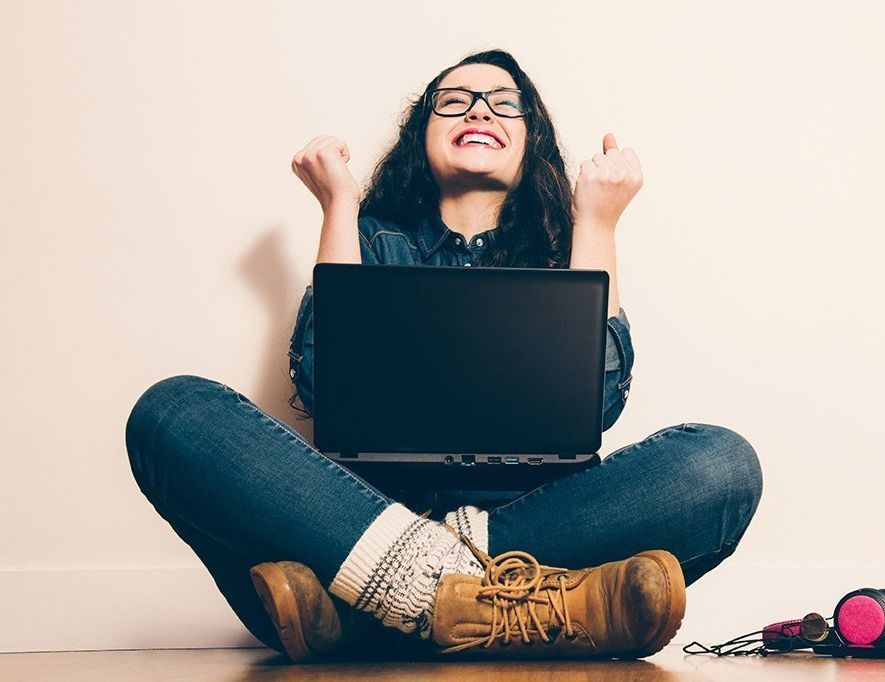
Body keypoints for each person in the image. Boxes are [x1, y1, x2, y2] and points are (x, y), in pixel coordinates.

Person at [125, 49, 763, 664]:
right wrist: (339, 206)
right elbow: (326, 382)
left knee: (723, 467)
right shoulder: (371, 241)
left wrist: (596, 223)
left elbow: (599, 404)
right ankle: (507, 607)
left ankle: (378, 616)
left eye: (503, 104)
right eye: (454, 101)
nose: (478, 110)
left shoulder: (559, 253)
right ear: (420, 135)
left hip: (531, 524)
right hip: (360, 514)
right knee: (173, 413)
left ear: (530, 139)